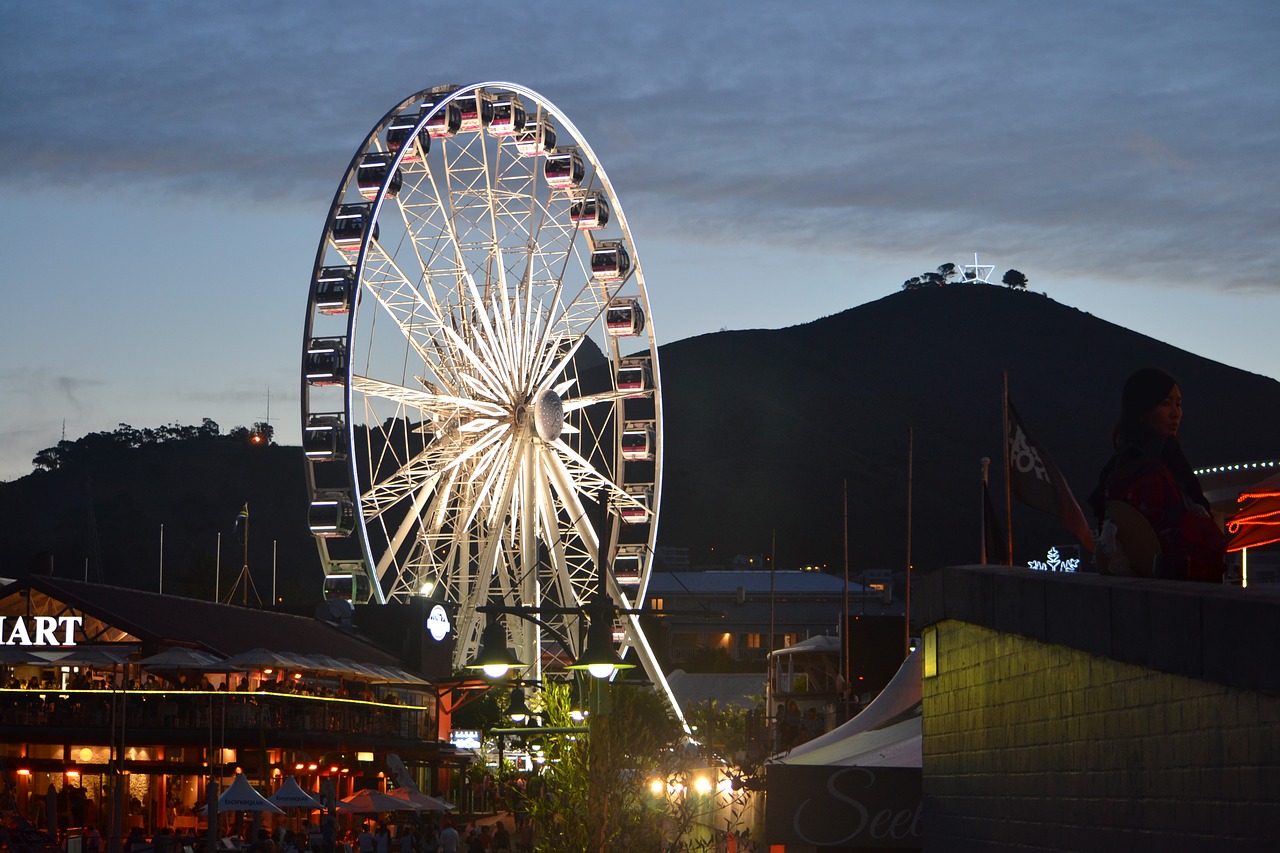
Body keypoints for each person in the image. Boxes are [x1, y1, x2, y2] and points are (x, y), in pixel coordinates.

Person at [1088, 367, 1226, 582]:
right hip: (1178, 576)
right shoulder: (1168, 453)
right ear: (1142, 411)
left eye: (1178, 404)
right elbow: (1200, 511)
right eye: (1165, 403)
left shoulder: (1115, 465)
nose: (1176, 413)